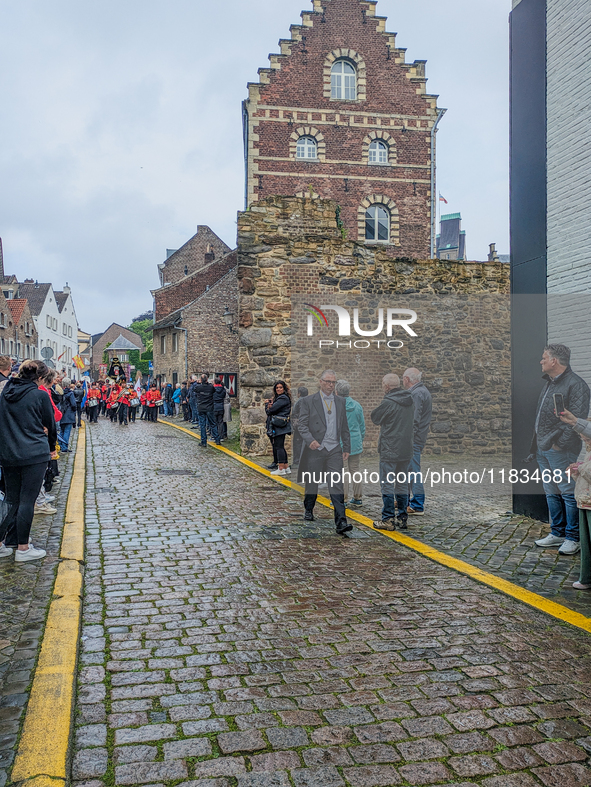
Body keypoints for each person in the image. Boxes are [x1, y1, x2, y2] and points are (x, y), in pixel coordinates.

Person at [531, 344, 590, 555]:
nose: (541, 361)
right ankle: (557, 532)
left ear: (554, 361)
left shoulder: (577, 385)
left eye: (544, 357)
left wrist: (560, 444)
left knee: (566, 492)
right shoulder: (550, 383)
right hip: (544, 447)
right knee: (551, 492)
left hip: (560, 450)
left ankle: (572, 538)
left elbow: (576, 420)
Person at [0, 360, 57, 562]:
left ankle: (0, 544)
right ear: (40, 378)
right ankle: (23, 548)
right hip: (34, 452)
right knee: (27, 501)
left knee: (10, 499)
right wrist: (51, 448)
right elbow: (50, 424)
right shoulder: (40, 395)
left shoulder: (5, 394)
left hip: (8, 452)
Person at [297, 369, 352, 535]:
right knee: (312, 482)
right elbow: (302, 425)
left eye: (333, 382)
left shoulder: (340, 401)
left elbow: (344, 426)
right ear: (320, 382)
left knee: (336, 483)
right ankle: (309, 508)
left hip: (334, 448)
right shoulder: (308, 401)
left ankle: (341, 521)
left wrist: (347, 447)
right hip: (316, 447)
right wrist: (310, 440)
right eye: (328, 382)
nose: (330, 385)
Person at [371, 373, 414, 531]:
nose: (382, 386)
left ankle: (388, 518)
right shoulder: (410, 400)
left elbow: (375, 417)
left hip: (390, 449)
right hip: (405, 449)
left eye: (383, 383)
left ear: (387, 386)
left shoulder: (388, 402)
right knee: (402, 483)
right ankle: (402, 517)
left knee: (387, 484)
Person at [402, 367, 433, 515]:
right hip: (416, 438)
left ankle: (417, 504)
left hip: (413, 439)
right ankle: (406, 501)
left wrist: (407, 438)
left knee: (413, 471)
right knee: (409, 470)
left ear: (407, 379)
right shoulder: (421, 391)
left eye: (403, 378)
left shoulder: (417, 393)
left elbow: (413, 419)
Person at [335, 380, 365, 508]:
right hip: (355, 441)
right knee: (355, 470)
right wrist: (359, 439)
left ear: (337, 392)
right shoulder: (357, 406)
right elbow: (362, 426)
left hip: (341, 443)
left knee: (343, 472)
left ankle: (343, 498)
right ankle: (358, 498)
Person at [569, 430, 591, 590]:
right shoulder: (588, 451)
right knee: (586, 544)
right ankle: (586, 577)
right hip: (584, 500)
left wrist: (581, 468)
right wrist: (576, 472)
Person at [265, 381, 292, 476]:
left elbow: (270, 411)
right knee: (280, 446)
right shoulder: (281, 398)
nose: (278, 389)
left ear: (284, 388)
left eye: (280, 387)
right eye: (277, 388)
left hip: (279, 425)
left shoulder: (283, 398)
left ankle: (280, 468)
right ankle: (286, 467)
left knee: (278, 446)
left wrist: (267, 406)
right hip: (280, 425)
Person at [191, 374, 220, 446]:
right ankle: (217, 439)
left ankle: (204, 441)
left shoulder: (198, 387)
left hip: (201, 407)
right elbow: (214, 391)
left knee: (203, 425)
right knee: (213, 424)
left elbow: (194, 390)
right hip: (209, 407)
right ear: (207, 379)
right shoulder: (210, 387)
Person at [289, 386, 308, 472]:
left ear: (299, 393)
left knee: (297, 444)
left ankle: (297, 462)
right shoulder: (308, 401)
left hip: (299, 426)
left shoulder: (300, 401)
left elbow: (298, 415)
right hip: (305, 426)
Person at [58, 379, 77, 452]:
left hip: (61, 413)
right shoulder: (70, 393)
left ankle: (60, 445)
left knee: (62, 430)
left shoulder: (60, 392)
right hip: (68, 414)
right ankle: (64, 446)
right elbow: (73, 404)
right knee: (67, 431)